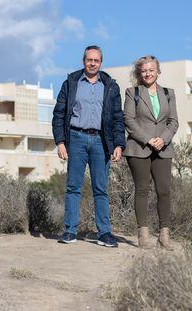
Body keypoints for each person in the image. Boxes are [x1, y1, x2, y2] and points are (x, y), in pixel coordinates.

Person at [52, 45, 125, 247]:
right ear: (83, 61)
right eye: (89, 60)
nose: (92, 63)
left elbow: (118, 118)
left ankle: (104, 233)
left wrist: (119, 144)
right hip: (76, 138)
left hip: (101, 142)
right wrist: (60, 142)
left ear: (101, 62)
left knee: (101, 188)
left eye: (96, 60)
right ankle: (70, 231)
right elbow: (59, 113)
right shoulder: (71, 82)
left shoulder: (110, 85)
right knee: (73, 187)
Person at [123, 55, 179, 250]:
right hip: (139, 148)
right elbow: (129, 120)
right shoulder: (132, 93)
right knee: (142, 190)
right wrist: (148, 139)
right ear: (140, 73)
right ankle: (143, 236)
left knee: (164, 191)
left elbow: (173, 122)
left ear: (158, 71)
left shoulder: (169, 93)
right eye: (144, 71)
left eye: (151, 70)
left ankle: (164, 236)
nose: (148, 73)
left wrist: (162, 139)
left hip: (163, 148)